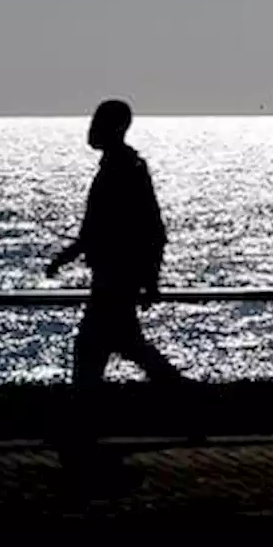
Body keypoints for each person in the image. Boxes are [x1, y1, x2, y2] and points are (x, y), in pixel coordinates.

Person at [46, 99, 186, 387]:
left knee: (95, 355)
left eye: (98, 122)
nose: (92, 128)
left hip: (115, 283)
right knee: (124, 349)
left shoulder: (124, 170)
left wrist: (150, 279)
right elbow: (100, 231)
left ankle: (195, 404)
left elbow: (149, 229)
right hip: (113, 281)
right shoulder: (121, 167)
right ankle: (193, 403)